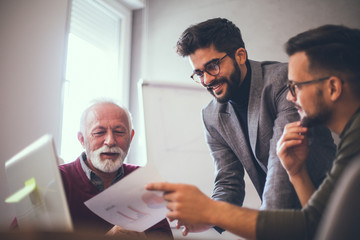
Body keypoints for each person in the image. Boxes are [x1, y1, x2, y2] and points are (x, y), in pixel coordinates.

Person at [146, 24, 360, 239]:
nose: (207, 80)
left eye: (212, 66)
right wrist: (207, 216)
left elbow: (282, 189)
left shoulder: (281, 82)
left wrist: (209, 210)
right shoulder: (211, 115)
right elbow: (228, 181)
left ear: (240, 56)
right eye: (199, 73)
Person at [59, 99, 173, 240]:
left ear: (131, 138)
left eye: (119, 132)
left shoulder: (142, 180)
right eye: (99, 132)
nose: (110, 141)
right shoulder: (59, 179)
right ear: (82, 139)